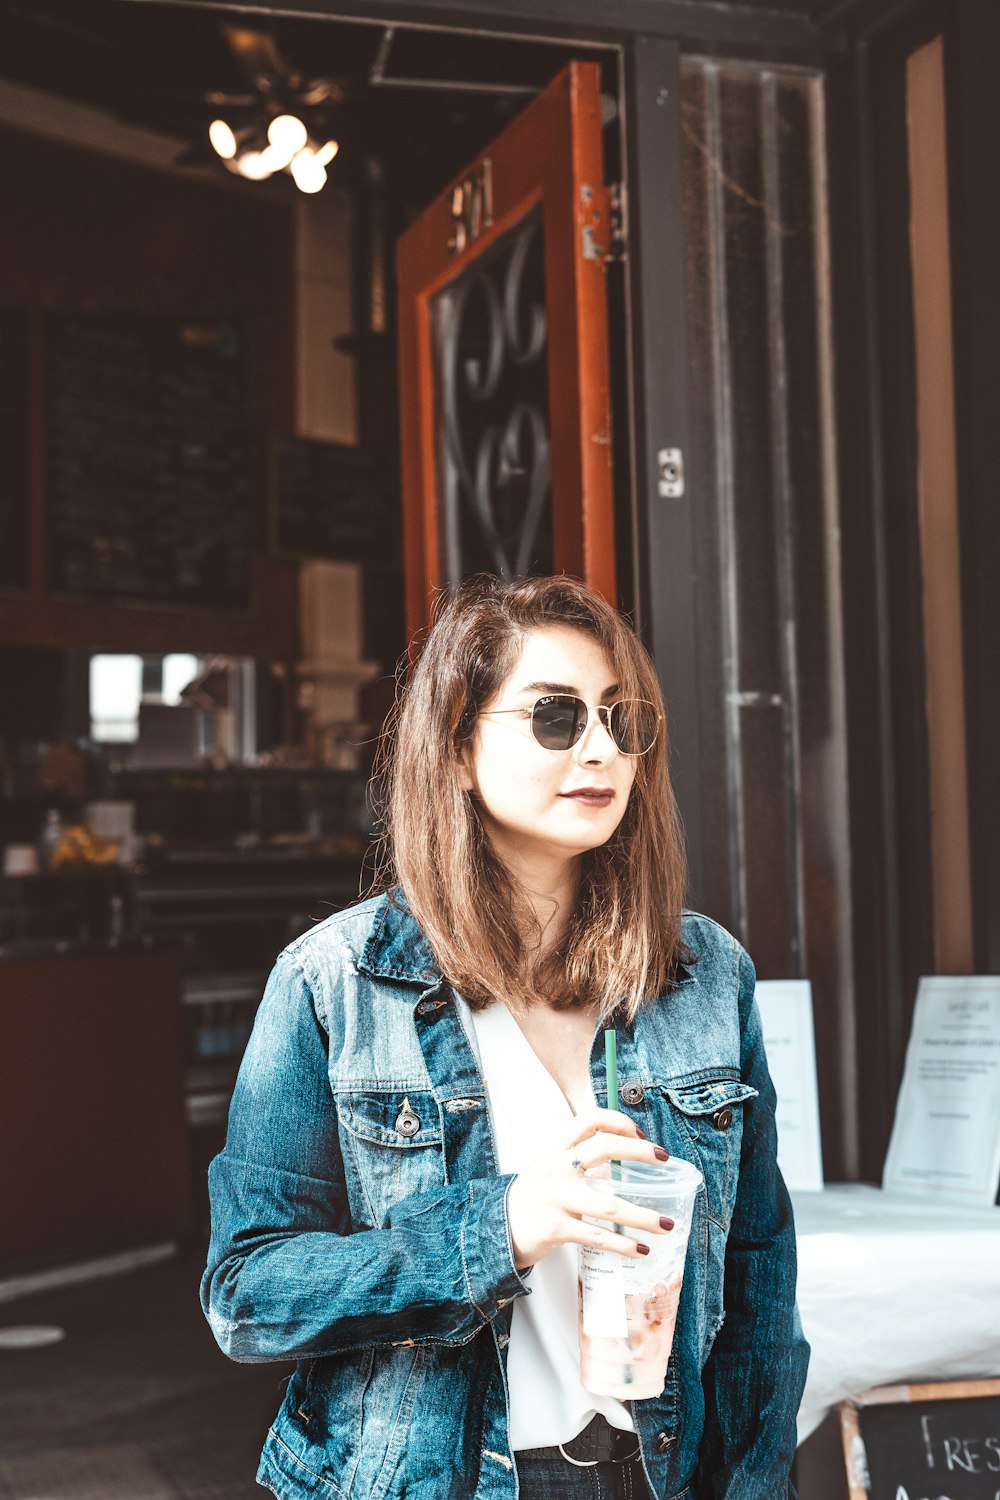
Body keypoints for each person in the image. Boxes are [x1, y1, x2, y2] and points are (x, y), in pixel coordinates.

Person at [201, 573, 809, 1500]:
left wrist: (755, 1483)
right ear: (456, 748)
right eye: (555, 717)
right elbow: (248, 1295)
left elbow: (761, 1283)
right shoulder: (336, 983)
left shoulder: (701, 972)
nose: (601, 748)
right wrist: (503, 1227)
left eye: (622, 718)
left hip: (654, 1475)